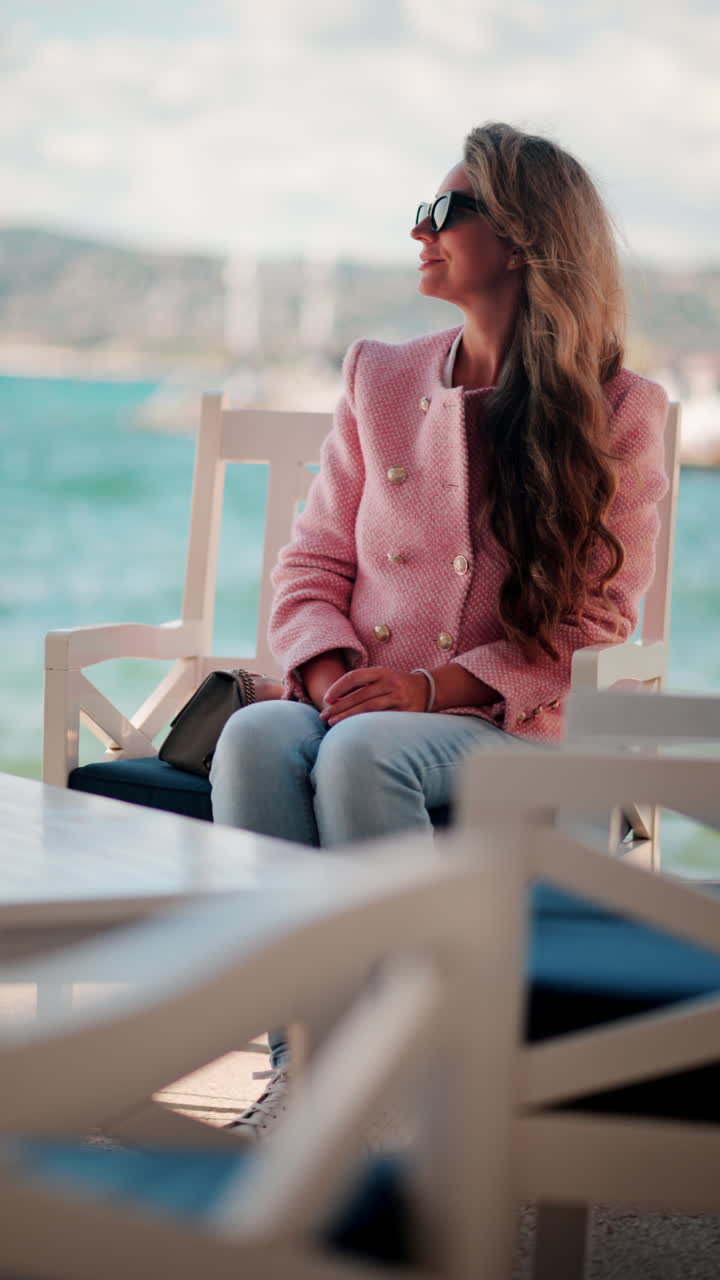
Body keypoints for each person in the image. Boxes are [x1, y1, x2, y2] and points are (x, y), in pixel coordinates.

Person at [210, 121, 669, 1137]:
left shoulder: (620, 408)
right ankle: (310, 1064)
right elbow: (312, 559)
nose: (418, 229)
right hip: (361, 692)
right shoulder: (380, 373)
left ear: (518, 236)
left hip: (507, 722)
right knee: (254, 733)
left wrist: (425, 690)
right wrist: (329, 671)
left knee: (368, 748)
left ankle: (414, 1075)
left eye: (442, 210)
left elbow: (595, 623)